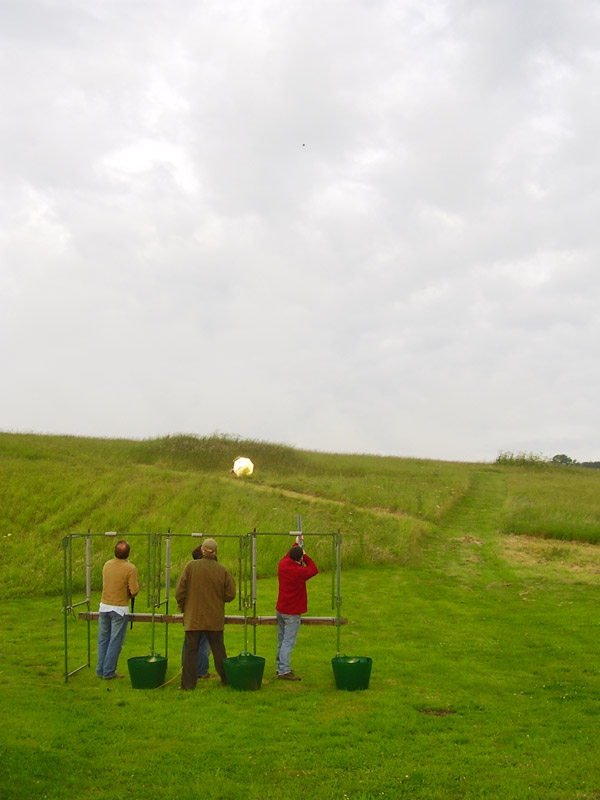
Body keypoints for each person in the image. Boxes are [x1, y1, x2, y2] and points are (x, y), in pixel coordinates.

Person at [175, 537, 236, 690]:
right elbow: (231, 594)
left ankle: (188, 685)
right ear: (216, 552)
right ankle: (226, 680)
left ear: (202, 550)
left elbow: (179, 591)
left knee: (190, 651)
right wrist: (218, 599)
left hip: (193, 617)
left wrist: (183, 607)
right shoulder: (222, 570)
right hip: (214, 617)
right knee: (218, 650)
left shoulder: (190, 567)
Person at [96, 539, 139, 680]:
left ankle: (100, 670)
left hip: (104, 606)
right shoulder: (130, 568)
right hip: (119, 608)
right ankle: (108, 672)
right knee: (115, 641)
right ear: (128, 553)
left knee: (103, 640)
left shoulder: (107, 564)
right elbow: (134, 591)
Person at [276, 543, 318, 681]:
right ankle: (284, 670)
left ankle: (281, 667)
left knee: (281, 640)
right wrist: (305, 555)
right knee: (288, 642)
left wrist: (297, 543)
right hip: (292, 612)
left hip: (281, 609)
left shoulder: (282, 564)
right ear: (300, 559)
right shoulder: (299, 571)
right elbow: (313, 569)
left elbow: (288, 555)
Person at [180, 544, 213, 679]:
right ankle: (201, 671)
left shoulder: (189, 571)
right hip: (204, 613)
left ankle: (189, 670)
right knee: (204, 642)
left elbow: (180, 592)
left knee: (190, 642)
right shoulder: (207, 572)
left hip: (191, 613)